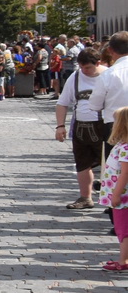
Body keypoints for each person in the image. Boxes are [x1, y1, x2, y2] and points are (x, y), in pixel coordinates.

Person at [55, 48, 125, 210]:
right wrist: (60, 126)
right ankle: (85, 197)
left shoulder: (109, 74)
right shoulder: (76, 77)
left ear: (98, 63)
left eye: (88, 68)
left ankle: (111, 199)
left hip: (106, 125)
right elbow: (63, 102)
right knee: (82, 162)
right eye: (82, 67)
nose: (84, 71)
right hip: (82, 125)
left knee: (111, 164)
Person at [102, 108, 128, 272]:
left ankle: (123, 260)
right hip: (121, 195)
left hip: (123, 197)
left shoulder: (125, 148)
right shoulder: (122, 145)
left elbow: (125, 172)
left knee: (123, 229)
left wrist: (116, 194)